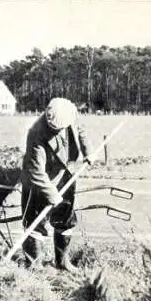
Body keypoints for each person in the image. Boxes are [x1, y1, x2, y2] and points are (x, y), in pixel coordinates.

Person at [20, 97, 93, 273]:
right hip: (39, 183)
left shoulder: (70, 113)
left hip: (66, 173)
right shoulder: (36, 132)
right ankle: (34, 267)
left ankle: (62, 263)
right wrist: (52, 195)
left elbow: (80, 132)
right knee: (35, 223)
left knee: (65, 219)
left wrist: (88, 152)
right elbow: (37, 171)